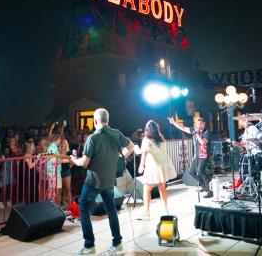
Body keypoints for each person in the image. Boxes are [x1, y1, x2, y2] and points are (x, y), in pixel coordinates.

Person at [70, 108, 134, 255]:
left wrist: (74, 160)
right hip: (109, 181)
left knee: (84, 209)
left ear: (95, 121)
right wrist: (120, 157)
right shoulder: (116, 133)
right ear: (107, 120)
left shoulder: (93, 138)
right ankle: (117, 244)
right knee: (111, 210)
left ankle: (89, 246)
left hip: (93, 180)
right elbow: (130, 146)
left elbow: (85, 162)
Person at [137, 120, 176, 220]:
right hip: (162, 164)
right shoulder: (161, 137)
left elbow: (144, 153)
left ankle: (146, 213)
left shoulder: (146, 139)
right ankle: (165, 210)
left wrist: (141, 165)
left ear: (147, 129)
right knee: (162, 187)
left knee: (146, 189)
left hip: (153, 166)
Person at [168, 116, 213, 198]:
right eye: (198, 124)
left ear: (204, 124)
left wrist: (197, 134)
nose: (199, 125)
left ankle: (209, 191)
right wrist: (173, 122)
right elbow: (183, 128)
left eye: (201, 123)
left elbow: (203, 143)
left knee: (200, 171)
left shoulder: (207, 132)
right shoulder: (194, 130)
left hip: (204, 154)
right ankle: (203, 185)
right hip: (197, 154)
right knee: (191, 172)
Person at [46, 133, 63, 206]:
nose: (60, 141)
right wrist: (65, 160)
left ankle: (51, 207)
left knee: (52, 191)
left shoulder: (50, 147)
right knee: (57, 191)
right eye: (60, 140)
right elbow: (55, 160)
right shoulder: (54, 148)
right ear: (57, 139)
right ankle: (57, 209)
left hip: (51, 173)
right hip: (55, 173)